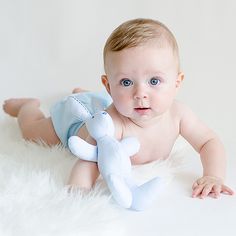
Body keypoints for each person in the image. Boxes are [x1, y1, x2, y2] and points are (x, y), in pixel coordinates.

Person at [3, 18, 234, 199]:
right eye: (126, 82)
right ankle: (27, 107)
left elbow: (208, 142)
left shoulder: (179, 114)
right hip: (75, 121)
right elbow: (90, 160)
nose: (140, 93)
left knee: (103, 101)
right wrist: (78, 192)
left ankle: (85, 93)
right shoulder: (113, 123)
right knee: (32, 133)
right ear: (109, 85)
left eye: (154, 81)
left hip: (101, 102)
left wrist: (212, 175)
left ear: (177, 82)